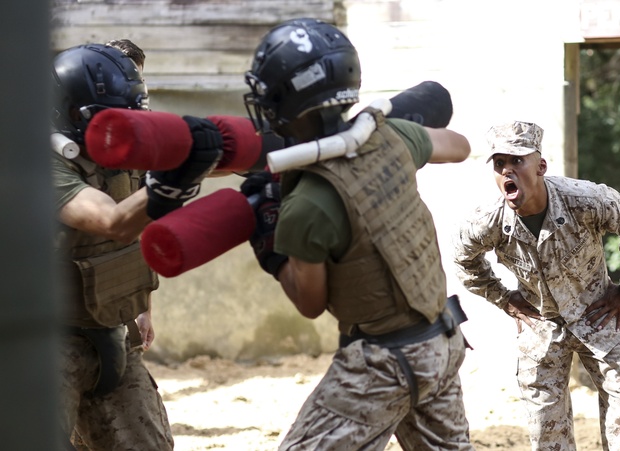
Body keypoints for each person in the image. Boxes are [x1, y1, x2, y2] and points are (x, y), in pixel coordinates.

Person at [238, 18, 474, 450]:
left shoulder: (307, 203)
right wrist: (389, 127)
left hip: (384, 363)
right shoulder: (392, 136)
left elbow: (309, 303)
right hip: (443, 340)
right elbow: (459, 146)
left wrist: (271, 247)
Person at [52, 43, 221, 449]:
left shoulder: (117, 149)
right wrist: (175, 181)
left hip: (110, 333)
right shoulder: (41, 164)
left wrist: (142, 305)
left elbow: (133, 229)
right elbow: (111, 221)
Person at [454, 120, 620, 450]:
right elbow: (464, 259)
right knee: (546, 433)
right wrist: (505, 300)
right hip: (541, 327)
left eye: (517, 161)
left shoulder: (585, 200)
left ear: (541, 166)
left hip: (599, 315)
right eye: (499, 163)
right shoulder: (488, 221)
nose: (508, 171)